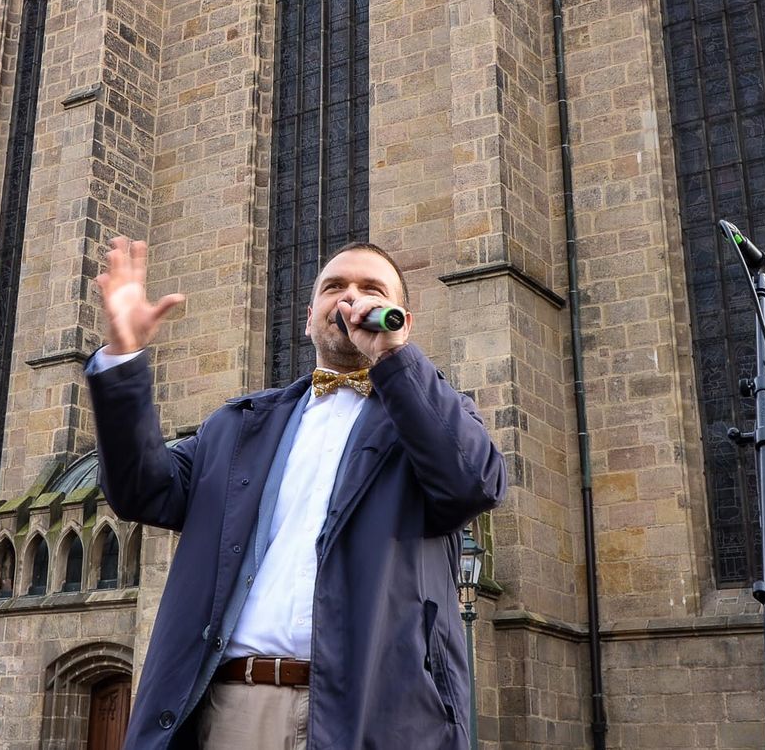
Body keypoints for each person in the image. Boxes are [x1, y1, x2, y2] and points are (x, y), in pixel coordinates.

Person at [86, 237, 506, 749]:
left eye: (372, 289)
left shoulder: (433, 419)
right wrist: (123, 362)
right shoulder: (237, 427)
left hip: (377, 713)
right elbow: (142, 491)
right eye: (335, 287)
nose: (351, 299)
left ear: (401, 319)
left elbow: (474, 483)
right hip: (239, 707)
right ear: (310, 317)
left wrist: (395, 362)